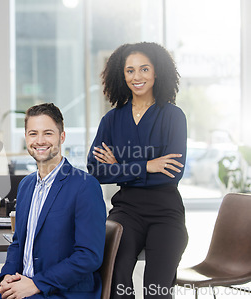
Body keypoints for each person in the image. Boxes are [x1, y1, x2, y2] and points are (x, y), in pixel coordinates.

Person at [87, 42, 188, 299]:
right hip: (126, 211)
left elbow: (171, 173)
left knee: (157, 288)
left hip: (166, 213)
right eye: (130, 70)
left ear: (157, 72)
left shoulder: (173, 116)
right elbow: (95, 171)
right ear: (122, 76)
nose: (137, 77)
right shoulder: (111, 119)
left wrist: (119, 167)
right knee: (115, 279)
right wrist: (148, 166)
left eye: (144, 69)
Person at [0, 103, 106, 299]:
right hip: (23, 287)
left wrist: (37, 283)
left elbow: (88, 256)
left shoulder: (85, 186)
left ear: (62, 137)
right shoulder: (26, 185)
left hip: (62, 292)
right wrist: (8, 275)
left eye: (48, 133)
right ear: (26, 137)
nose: (40, 140)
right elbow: (18, 243)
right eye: (33, 133)